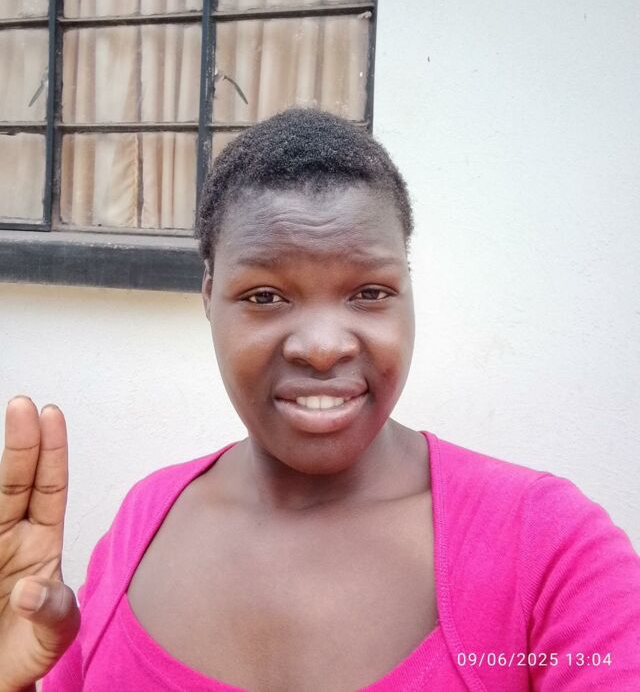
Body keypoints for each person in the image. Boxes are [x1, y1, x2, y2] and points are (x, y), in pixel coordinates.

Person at [1, 109, 639, 692]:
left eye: (369, 293)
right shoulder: (145, 522)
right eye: (265, 297)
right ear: (208, 299)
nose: (323, 347)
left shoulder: (549, 551)